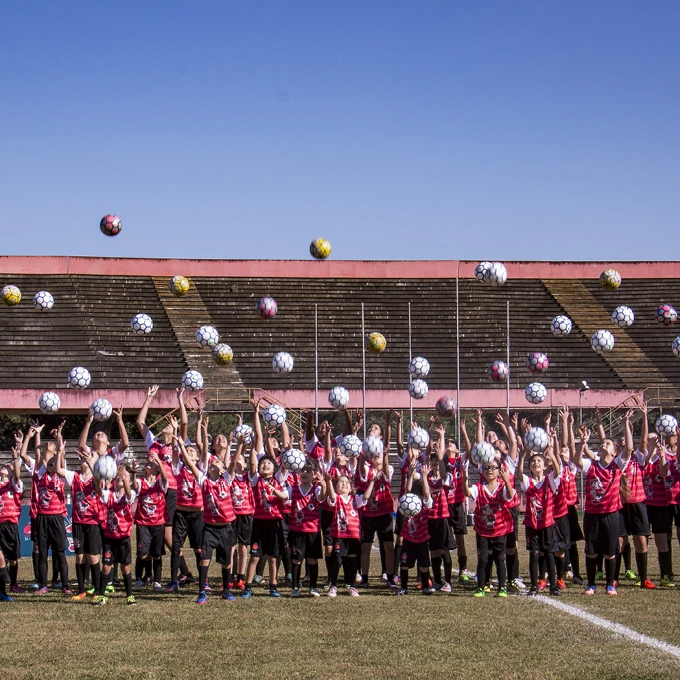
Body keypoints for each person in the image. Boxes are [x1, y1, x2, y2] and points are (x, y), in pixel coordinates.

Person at [137, 385, 192, 584]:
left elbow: (185, 422)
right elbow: (140, 422)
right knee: (157, 532)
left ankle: (184, 573)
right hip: (153, 491)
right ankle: (153, 574)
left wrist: (180, 399)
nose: (167, 425)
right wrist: (149, 397)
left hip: (170, 491)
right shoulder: (154, 444)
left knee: (167, 534)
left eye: (170, 424)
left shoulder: (176, 444)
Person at [574, 424, 626, 595]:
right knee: (591, 552)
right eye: (603, 443)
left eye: (608, 444)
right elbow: (577, 461)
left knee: (610, 552)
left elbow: (630, 449)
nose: (604, 444)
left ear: (614, 453)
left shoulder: (617, 465)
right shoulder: (592, 465)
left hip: (611, 515)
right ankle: (591, 584)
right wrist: (582, 443)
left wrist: (625, 425)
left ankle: (610, 584)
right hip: (591, 515)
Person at [241, 431, 289, 599]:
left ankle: (273, 586)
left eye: (269, 463)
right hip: (259, 523)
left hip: (275, 523)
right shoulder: (256, 480)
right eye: (263, 464)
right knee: (255, 556)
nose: (265, 465)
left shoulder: (279, 480)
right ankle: (248, 587)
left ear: (274, 467)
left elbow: (283, 463)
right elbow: (253, 463)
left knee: (273, 558)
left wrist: (285, 447)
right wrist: (254, 444)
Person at [462, 453, 515, 598]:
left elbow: (509, 496)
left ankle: (502, 587)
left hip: (499, 529)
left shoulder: (502, 487)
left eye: (493, 467)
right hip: (483, 530)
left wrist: (507, 481)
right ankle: (481, 587)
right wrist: (464, 480)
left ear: (499, 470)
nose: (490, 470)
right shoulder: (479, 487)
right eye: (486, 468)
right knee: (483, 559)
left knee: (499, 559)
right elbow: (467, 492)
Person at [518, 427, 562, 596]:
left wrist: (551, 456)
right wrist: (523, 455)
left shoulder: (549, 480)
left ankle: (553, 586)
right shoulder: (528, 482)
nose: (536, 463)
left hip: (548, 523)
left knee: (550, 554)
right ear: (530, 467)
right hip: (532, 523)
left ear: (545, 466)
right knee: (534, 555)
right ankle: (534, 586)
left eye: (539, 462)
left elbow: (557, 471)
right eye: (533, 462)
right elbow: (519, 474)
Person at [56, 449, 102, 600]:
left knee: (93, 557)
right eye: (84, 456)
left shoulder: (97, 477)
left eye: (90, 455)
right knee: (79, 556)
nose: (86, 457)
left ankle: (97, 590)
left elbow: (99, 484)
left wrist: (90, 463)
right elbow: (58, 470)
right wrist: (59, 451)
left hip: (93, 523)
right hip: (77, 522)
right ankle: (81, 590)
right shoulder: (74, 476)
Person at [356, 414, 397, 590]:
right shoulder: (366, 469)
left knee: (388, 546)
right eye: (375, 455)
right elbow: (361, 465)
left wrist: (387, 426)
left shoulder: (389, 469)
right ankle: (364, 578)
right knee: (365, 547)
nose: (377, 457)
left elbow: (386, 466)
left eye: (380, 455)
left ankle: (389, 577)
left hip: (384, 512)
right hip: (368, 513)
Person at [617, 407, 655, 589]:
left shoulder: (638, 458)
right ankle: (613, 578)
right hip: (622, 506)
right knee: (620, 542)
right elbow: (630, 446)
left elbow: (644, 441)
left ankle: (644, 578)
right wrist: (626, 424)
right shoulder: (619, 460)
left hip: (639, 504)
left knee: (641, 542)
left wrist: (645, 416)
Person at [166, 416, 205, 593]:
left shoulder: (201, 470)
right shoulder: (178, 468)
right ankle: (174, 581)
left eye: (192, 452)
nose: (189, 453)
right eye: (187, 451)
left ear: (197, 458)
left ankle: (203, 582)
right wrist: (175, 432)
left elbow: (198, 451)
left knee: (199, 549)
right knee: (176, 547)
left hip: (197, 514)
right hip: (181, 513)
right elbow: (175, 451)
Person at [32, 429, 70, 595]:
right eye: (48, 464)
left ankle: (66, 585)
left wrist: (60, 437)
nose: (50, 465)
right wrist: (38, 435)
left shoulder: (61, 476)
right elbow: (38, 453)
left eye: (53, 463)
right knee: (42, 552)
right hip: (42, 518)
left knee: (60, 552)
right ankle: (43, 585)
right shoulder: (41, 475)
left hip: (56, 518)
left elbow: (60, 458)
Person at [324, 472, 374, 597]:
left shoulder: (355, 499)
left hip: (354, 536)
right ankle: (333, 586)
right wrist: (329, 481)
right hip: (340, 536)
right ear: (336, 487)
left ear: (351, 487)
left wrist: (372, 481)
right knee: (337, 560)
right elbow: (331, 495)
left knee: (353, 561)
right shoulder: (336, 498)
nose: (344, 485)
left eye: (347, 483)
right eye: (340, 482)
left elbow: (366, 496)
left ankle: (352, 587)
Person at [94, 464, 137, 605]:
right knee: (106, 566)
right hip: (110, 537)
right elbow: (100, 492)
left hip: (123, 538)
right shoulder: (110, 495)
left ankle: (130, 595)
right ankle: (101, 594)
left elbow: (130, 494)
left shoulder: (129, 495)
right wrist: (97, 479)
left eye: (124, 477)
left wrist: (124, 475)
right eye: (119, 476)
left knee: (125, 567)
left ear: (129, 482)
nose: (121, 478)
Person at [287, 458, 327, 597]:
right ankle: (295, 588)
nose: (304, 473)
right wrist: (275, 491)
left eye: (308, 471)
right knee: (296, 559)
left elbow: (322, 497)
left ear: (314, 474)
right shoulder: (293, 488)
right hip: (297, 531)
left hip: (313, 531)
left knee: (312, 559)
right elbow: (284, 496)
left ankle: (313, 587)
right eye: (302, 470)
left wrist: (324, 484)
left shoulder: (317, 489)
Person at [132, 451, 168, 591]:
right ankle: (139, 579)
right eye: (147, 462)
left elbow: (165, 477)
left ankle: (157, 581)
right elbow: (134, 486)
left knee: (157, 554)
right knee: (142, 553)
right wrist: (134, 472)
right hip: (143, 524)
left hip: (158, 523)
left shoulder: (160, 483)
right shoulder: (141, 482)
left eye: (151, 463)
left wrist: (158, 460)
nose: (148, 463)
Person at [643, 433, 675, 587]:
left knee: (662, 541)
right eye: (650, 439)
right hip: (644, 505)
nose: (653, 441)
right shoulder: (643, 458)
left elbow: (664, 473)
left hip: (661, 506)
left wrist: (662, 456)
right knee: (642, 541)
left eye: (655, 439)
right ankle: (643, 576)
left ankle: (665, 575)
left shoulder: (663, 459)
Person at [397, 459, 434, 595]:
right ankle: (404, 588)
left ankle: (425, 587)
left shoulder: (425, 504)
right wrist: (411, 473)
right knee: (405, 564)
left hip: (422, 539)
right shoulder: (408, 504)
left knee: (424, 566)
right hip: (409, 538)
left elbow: (427, 494)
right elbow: (407, 490)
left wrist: (424, 477)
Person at [428, 423, 455, 592]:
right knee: (434, 551)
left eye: (437, 461)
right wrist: (432, 433)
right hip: (430, 519)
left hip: (443, 517)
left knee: (445, 550)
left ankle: (448, 582)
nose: (435, 464)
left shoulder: (446, 477)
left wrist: (442, 438)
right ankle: (437, 581)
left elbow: (444, 474)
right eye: (433, 461)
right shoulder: (426, 476)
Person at [0, 444, 23, 601]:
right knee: (0, 558)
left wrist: (15, 458)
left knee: (13, 559)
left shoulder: (14, 485)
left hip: (11, 526)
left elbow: (17, 475)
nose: (3, 467)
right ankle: (2, 592)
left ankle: (13, 583)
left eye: (7, 467)